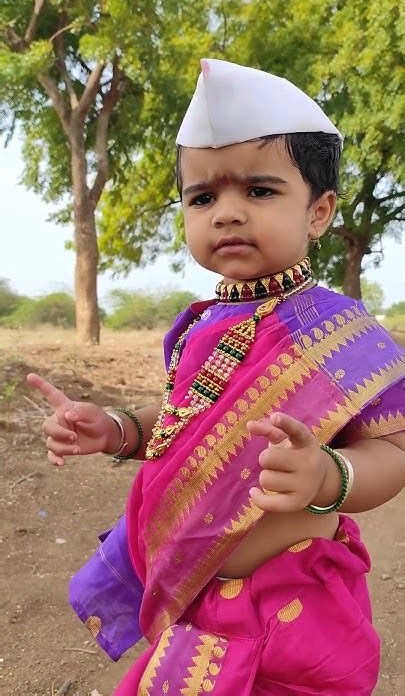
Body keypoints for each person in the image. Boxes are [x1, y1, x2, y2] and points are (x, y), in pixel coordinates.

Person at [28, 59, 405, 695]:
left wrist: (326, 475)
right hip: (197, 605)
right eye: (203, 197)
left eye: (259, 191)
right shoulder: (198, 326)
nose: (226, 213)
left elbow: (394, 449)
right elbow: (181, 421)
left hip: (296, 605)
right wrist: (118, 429)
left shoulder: (342, 333)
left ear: (319, 211)